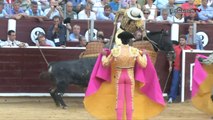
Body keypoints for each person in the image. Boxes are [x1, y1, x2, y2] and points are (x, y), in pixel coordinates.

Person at [84, 31, 165, 120]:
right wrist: (145, 55)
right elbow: (144, 64)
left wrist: (103, 56)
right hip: (130, 77)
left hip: (119, 77)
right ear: (130, 40)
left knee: (119, 100)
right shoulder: (134, 51)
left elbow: (105, 63)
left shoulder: (115, 51)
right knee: (130, 100)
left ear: (120, 40)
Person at [168, 35, 192, 103]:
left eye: (182, 40)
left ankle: (186, 98)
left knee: (186, 83)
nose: (181, 41)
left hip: (186, 69)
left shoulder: (189, 49)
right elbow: (170, 57)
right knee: (175, 82)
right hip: (177, 68)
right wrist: (170, 66)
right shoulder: (175, 48)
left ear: (185, 41)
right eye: (180, 40)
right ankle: (171, 97)